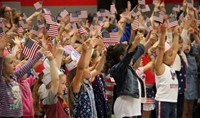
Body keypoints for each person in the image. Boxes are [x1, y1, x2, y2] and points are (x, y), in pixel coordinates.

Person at [0, 35, 43, 117]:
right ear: (3, 67)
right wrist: (1, 50)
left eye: (14, 63)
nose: (14, 66)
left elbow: (28, 65)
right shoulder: (2, 82)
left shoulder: (14, 77)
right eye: (11, 63)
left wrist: (41, 51)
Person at [108, 32, 146, 118]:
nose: (133, 57)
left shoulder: (130, 66)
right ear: (121, 57)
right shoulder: (116, 69)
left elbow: (140, 49)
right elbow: (128, 57)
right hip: (125, 109)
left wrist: (140, 41)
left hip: (134, 109)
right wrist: (134, 44)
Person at [153, 23, 179, 118]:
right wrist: (163, 34)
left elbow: (175, 49)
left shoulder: (170, 66)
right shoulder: (159, 66)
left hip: (173, 101)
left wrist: (176, 35)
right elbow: (160, 49)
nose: (172, 57)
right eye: (169, 55)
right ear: (162, 57)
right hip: (163, 101)